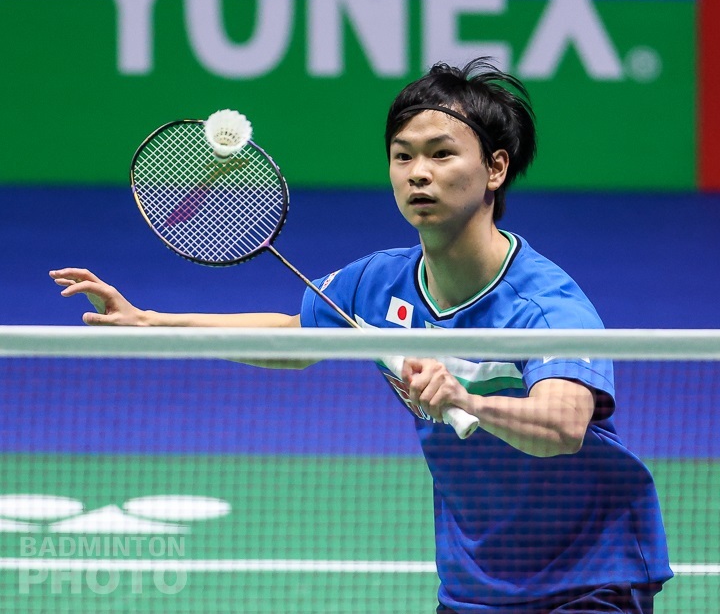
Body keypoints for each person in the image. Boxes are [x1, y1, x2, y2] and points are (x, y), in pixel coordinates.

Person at [50, 58, 672, 613]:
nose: (418, 174)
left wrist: (467, 401)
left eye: (441, 154)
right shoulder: (379, 285)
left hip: (590, 574)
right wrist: (152, 322)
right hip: (477, 583)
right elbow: (295, 337)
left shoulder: (544, 306)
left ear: (495, 168)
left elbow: (563, 426)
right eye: (403, 156)